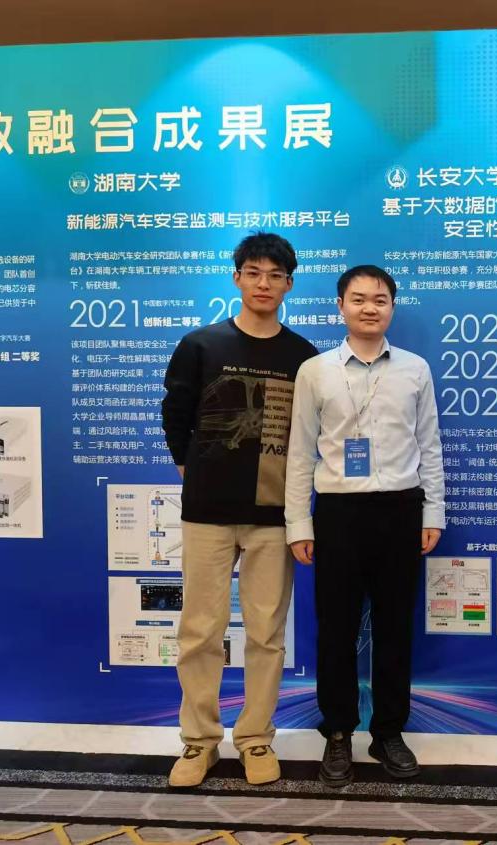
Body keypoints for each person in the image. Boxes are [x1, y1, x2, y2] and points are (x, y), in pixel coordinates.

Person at [161, 231, 318, 787]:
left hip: (274, 517)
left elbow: (309, 437)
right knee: (199, 632)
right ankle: (198, 742)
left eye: (275, 275)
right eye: (253, 273)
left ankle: (255, 738)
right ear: (237, 278)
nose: (263, 284)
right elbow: (175, 413)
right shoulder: (201, 345)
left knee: (266, 634)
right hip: (207, 513)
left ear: (289, 285)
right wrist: (192, 469)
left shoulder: (303, 358)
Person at [285, 265, 445, 788]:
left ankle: (388, 731)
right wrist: (298, 523)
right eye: (358, 299)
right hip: (338, 513)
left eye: (380, 299)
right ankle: (337, 731)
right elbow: (299, 452)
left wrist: (432, 512)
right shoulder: (315, 371)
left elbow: (429, 445)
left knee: (395, 627)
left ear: (392, 307)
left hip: (401, 510)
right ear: (341, 306)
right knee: (336, 627)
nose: (369, 307)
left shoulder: (415, 369)